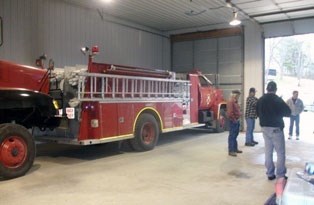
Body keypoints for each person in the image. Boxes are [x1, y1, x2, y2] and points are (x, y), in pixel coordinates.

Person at [256, 81, 291, 180]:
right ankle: (280, 174)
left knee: (268, 151)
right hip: (276, 128)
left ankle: (270, 174)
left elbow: (257, 112)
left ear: (267, 89)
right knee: (280, 152)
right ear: (276, 89)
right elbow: (288, 112)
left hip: (264, 128)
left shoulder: (261, 99)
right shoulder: (277, 100)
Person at [227, 90, 242, 157]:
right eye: (238, 95)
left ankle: (235, 149)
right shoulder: (231, 101)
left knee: (235, 136)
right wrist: (234, 119)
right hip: (233, 121)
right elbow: (230, 113)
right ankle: (231, 150)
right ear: (235, 95)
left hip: (236, 120)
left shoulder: (235, 101)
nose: (239, 97)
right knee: (232, 136)